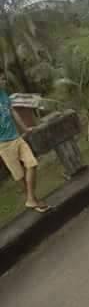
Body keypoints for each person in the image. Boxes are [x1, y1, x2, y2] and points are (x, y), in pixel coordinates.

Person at [0, 75, 50, 212]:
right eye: (1, 79)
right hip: (3, 144)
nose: (4, 81)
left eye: (4, 78)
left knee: (32, 163)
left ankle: (31, 199)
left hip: (17, 138)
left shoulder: (3, 94)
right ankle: (33, 200)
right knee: (19, 175)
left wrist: (25, 128)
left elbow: (12, 112)